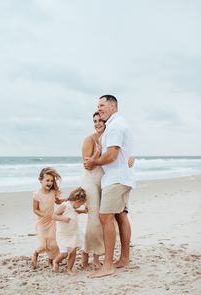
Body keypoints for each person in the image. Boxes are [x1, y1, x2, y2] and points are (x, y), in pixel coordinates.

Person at [84, 95, 135, 278]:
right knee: (121, 217)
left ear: (113, 106)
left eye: (102, 105)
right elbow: (122, 152)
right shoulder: (116, 124)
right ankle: (124, 259)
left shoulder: (115, 126)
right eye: (97, 106)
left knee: (105, 217)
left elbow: (112, 155)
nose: (99, 108)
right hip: (121, 178)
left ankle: (108, 265)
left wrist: (94, 162)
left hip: (116, 179)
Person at [80, 112, 105, 268]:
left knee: (103, 219)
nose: (97, 123)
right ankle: (87, 255)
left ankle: (93, 254)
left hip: (104, 180)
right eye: (94, 121)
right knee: (94, 220)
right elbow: (87, 163)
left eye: (100, 120)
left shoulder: (111, 138)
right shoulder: (89, 139)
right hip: (90, 181)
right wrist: (99, 148)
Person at [32, 167, 63, 269]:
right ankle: (36, 253)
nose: (49, 183)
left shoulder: (53, 192)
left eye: (51, 181)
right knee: (43, 244)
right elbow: (35, 209)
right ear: (40, 180)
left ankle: (50, 260)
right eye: (47, 180)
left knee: (53, 243)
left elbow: (58, 202)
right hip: (42, 222)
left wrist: (68, 200)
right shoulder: (37, 194)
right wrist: (43, 214)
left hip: (52, 222)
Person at [52, 187, 87, 276]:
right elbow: (53, 216)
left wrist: (83, 211)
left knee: (73, 253)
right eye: (80, 205)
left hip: (73, 234)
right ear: (77, 201)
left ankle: (69, 269)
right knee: (64, 254)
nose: (79, 206)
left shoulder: (73, 207)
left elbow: (77, 212)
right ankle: (56, 261)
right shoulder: (65, 206)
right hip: (63, 235)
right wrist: (63, 218)